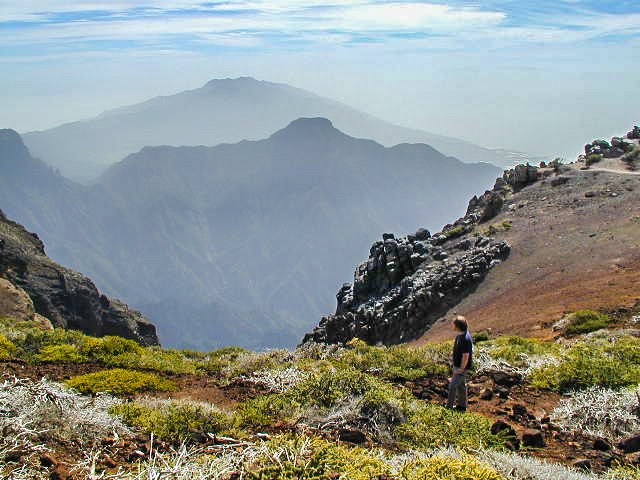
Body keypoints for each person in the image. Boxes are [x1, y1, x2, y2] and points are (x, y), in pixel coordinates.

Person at [446, 315, 473, 412]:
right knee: (461, 386)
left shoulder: (465, 339)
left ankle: (448, 407)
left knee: (453, 386)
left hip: (461, 367)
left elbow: (466, 356)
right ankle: (462, 407)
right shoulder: (460, 336)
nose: (452, 326)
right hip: (458, 366)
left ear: (458, 326)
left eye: (453, 325)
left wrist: (461, 369)